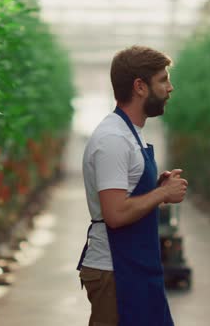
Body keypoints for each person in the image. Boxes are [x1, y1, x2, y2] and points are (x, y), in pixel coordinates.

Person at [76, 45, 188, 326]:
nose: (170, 88)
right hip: (115, 271)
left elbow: (126, 193)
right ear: (140, 86)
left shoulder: (130, 134)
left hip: (134, 267)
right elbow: (115, 214)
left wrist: (154, 188)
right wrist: (162, 193)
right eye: (163, 80)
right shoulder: (113, 139)